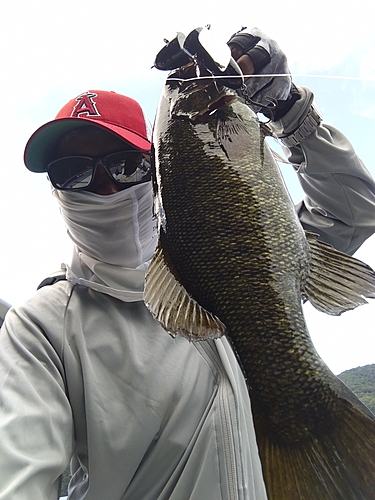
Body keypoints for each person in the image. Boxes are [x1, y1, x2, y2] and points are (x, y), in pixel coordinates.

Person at [0, 28, 374, 500]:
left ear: (155, 175)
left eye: (124, 165)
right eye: (72, 172)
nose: (105, 189)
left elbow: (355, 210)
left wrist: (290, 112)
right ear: (55, 189)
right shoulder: (41, 328)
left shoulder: (244, 245)